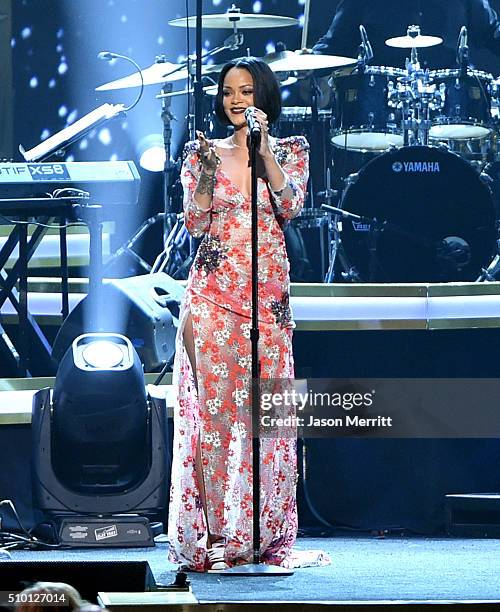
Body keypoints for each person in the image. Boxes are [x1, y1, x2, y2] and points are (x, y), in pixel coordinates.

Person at [167, 56, 309, 572]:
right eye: (228, 91)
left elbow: (290, 205)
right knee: (216, 415)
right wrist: (206, 172)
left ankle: (258, 533)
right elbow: (195, 221)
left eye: (246, 91)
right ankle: (211, 534)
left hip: (266, 294)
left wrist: (264, 150)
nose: (235, 99)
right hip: (212, 295)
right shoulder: (201, 152)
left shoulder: (292, 150)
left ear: (264, 98)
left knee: (265, 413)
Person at [312, 0, 500, 70]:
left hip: (450, 104)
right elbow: (336, 45)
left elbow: (491, 32)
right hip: (380, 108)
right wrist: (308, 62)